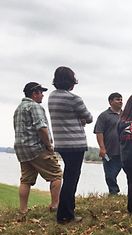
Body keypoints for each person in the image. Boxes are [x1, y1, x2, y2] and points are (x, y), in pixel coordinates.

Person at [48, 66, 93, 224]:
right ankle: (65, 214)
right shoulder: (74, 99)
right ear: (70, 82)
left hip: (61, 143)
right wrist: (79, 120)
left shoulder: (51, 97)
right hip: (75, 143)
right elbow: (89, 118)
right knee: (71, 179)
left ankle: (69, 208)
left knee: (68, 176)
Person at [13, 82, 62, 219]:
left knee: (26, 180)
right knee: (56, 174)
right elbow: (41, 128)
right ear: (34, 93)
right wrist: (48, 145)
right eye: (41, 92)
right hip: (36, 148)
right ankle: (55, 205)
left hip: (22, 150)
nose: (43, 95)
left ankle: (23, 210)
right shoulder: (35, 106)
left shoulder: (18, 108)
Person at [94, 93, 123, 195]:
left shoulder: (126, 115)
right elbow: (99, 132)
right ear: (110, 102)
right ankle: (113, 192)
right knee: (110, 175)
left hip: (125, 150)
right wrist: (102, 148)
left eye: (121, 99)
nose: (120, 101)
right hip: (109, 151)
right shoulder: (104, 116)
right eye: (117, 99)